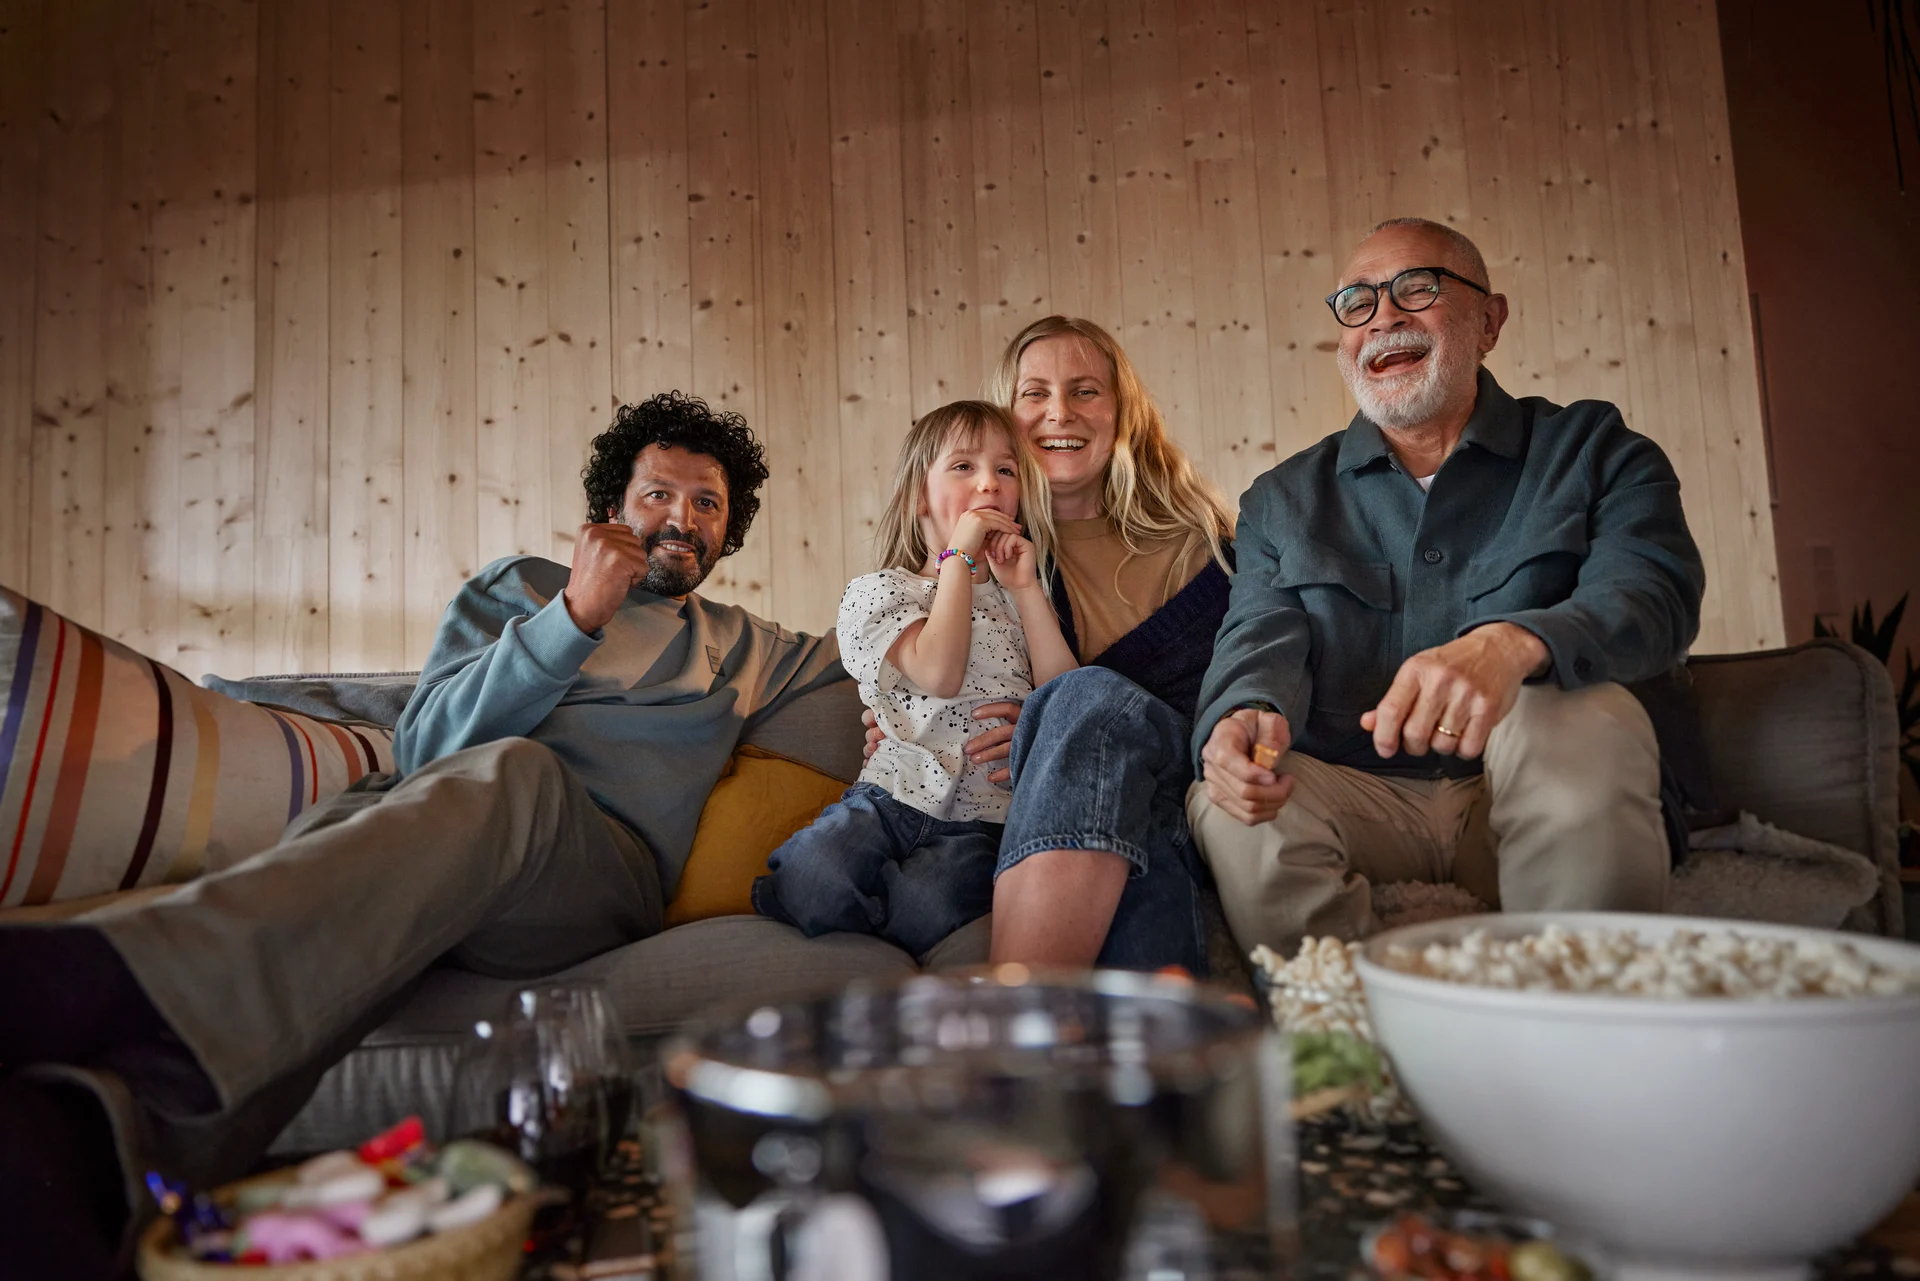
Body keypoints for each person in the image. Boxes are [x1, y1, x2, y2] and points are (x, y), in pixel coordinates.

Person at [0, 392, 842, 1278]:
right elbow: (427, 749)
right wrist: (572, 619)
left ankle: (104, 973)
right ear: (610, 511)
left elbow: (886, 651)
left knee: (521, 775)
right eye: (660, 495)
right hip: (427, 837)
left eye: (707, 504)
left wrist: (965, 555)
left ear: (729, 528)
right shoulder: (519, 588)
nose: (683, 519)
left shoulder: (748, 646)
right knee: (355, 844)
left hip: (584, 877)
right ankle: (95, 1148)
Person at [1188, 217, 1706, 958]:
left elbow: (1655, 594)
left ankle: (1580, 1028)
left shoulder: (1597, 452)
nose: (1384, 317)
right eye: (1357, 301)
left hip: (1530, 794)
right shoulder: (1282, 496)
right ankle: (1344, 1038)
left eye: (1416, 288)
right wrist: (1243, 715)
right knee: (1230, 794)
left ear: (1488, 321)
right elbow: (1259, 633)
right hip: (1360, 798)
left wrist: (1513, 646)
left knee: (1575, 715)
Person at [875, 316, 1239, 973]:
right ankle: (1150, 1052)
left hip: (1180, 770)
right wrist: (899, 721)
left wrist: (1059, 720)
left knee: (1087, 698)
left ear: (1121, 411)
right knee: (1122, 792)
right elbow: (913, 668)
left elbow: (1235, 697)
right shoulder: (972, 558)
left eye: (1085, 391)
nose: (1058, 413)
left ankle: (1019, 1007)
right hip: (1059, 808)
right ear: (1005, 416)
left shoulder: (1205, 544)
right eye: (1034, 393)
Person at [753, 401, 1075, 956]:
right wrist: (957, 559)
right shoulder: (881, 591)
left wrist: (1024, 589)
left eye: (1005, 470)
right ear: (917, 497)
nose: (989, 485)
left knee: (931, 908)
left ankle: (885, 924)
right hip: (890, 796)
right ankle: (850, 913)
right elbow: (939, 672)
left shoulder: (1019, 597)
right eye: (963, 467)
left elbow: (1068, 698)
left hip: (985, 818)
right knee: (813, 876)